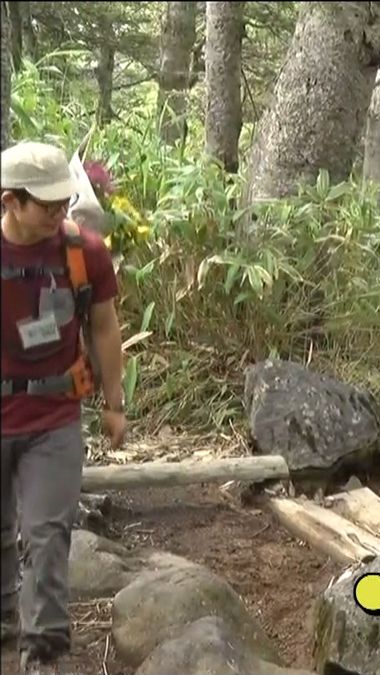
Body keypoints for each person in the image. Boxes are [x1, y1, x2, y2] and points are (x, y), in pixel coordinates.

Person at [1, 141, 127, 671]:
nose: (59, 212)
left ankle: (44, 649)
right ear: (11, 200)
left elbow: (103, 326)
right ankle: (7, 617)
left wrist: (115, 404)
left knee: (48, 535)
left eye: (63, 201)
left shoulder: (84, 252)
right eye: (46, 204)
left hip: (55, 415)